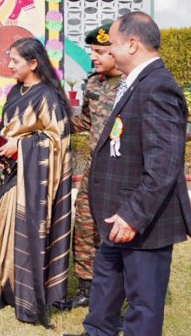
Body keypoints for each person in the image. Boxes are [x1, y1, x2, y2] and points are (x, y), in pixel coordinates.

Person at [76, 12, 191, 336]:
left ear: (131, 43)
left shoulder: (158, 87)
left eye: (111, 45)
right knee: (106, 288)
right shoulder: (137, 82)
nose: (108, 52)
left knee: (143, 306)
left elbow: (164, 165)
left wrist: (133, 216)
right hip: (119, 216)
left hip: (141, 222)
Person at [0, 37, 72, 326]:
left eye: (15, 60)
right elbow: (7, 128)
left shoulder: (48, 97)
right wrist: (1, 148)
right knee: (4, 225)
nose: (10, 65)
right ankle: (5, 283)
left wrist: (22, 146)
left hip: (35, 179)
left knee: (23, 230)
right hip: (15, 172)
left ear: (33, 63)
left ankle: (26, 292)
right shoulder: (16, 91)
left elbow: (58, 141)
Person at [53, 24, 123, 311]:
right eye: (92, 51)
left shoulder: (135, 83)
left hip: (122, 172)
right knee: (84, 227)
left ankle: (121, 294)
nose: (93, 57)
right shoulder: (94, 82)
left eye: (99, 52)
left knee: (117, 233)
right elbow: (87, 122)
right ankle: (86, 288)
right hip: (95, 170)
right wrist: (53, 124)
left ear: (117, 51)